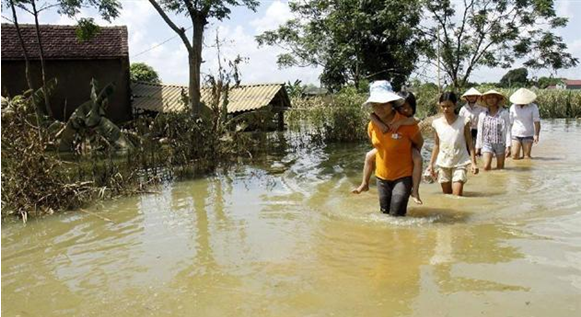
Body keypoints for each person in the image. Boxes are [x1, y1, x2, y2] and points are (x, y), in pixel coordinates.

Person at [352, 91, 424, 205]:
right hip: (382, 175)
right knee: (384, 212)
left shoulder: (407, 123)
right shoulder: (372, 124)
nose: (379, 108)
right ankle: (364, 184)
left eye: (383, 104)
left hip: (403, 173)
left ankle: (415, 191)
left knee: (397, 212)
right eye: (375, 105)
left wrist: (411, 151)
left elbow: (419, 141)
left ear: (392, 104)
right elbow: (375, 143)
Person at [427, 92, 479, 196]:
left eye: (449, 106)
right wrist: (430, 164)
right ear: (440, 106)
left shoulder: (463, 121)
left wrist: (473, 162)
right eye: (443, 106)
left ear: (455, 105)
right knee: (447, 195)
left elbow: (470, 142)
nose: (446, 109)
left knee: (457, 195)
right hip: (443, 162)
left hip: (460, 161)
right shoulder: (436, 123)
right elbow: (436, 145)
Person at [476, 90, 511, 170]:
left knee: (500, 168)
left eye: (493, 97)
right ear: (485, 100)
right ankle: (487, 182)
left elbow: (508, 130)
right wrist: (478, 146)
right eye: (488, 98)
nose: (491, 100)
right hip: (487, 143)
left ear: (498, 99)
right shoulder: (482, 115)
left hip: (501, 143)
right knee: (486, 167)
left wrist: (508, 146)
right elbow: (480, 131)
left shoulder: (504, 113)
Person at [508, 88, 541, 159]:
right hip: (515, 134)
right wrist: (507, 136)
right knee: (514, 155)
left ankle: (526, 169)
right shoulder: (513, 107)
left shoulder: (533, 107)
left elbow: (537, 122)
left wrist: (536, 135)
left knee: (526, 157)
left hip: (528, 134)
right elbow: (510, 122)